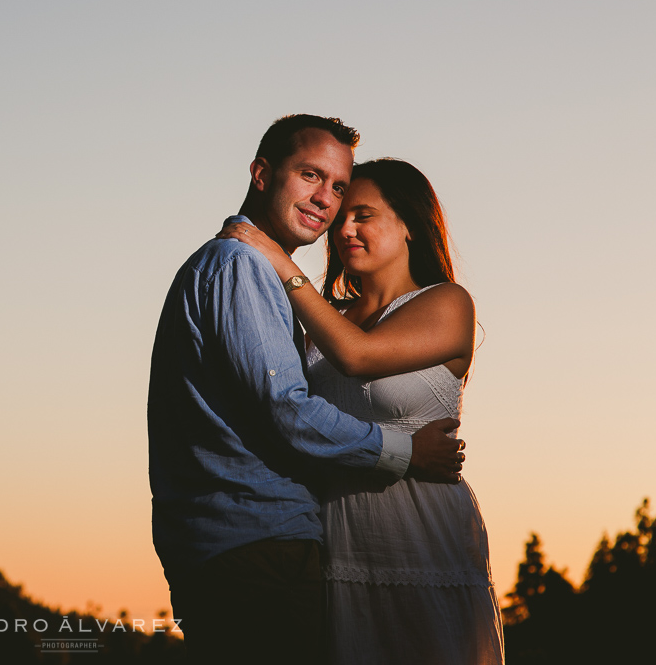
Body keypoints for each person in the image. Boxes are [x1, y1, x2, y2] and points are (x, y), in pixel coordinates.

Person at [147, 115, 464, 663]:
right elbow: (286, 409)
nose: (330, 206)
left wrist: (283, 265)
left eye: (339, 189)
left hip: (317, 539)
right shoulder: (242, 265)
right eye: (311, 175)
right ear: (262, 174)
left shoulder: (268, 275)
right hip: (259, 539)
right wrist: (406, 452)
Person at [217, 157, 504, 664]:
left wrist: (279, 261)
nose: (343, 228)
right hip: (335, 533)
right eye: (341, 216)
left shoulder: (448, 303)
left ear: (410, 225)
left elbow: (358, 356)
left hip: (419, 532)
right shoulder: (324, 316)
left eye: (363, 215)